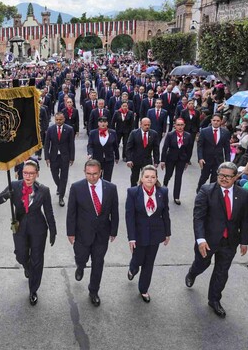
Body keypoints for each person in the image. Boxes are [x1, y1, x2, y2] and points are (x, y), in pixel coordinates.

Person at [185, 162, 248, 318]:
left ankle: (214, 300)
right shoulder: (206, 191)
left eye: (228, 176)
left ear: (235, 178)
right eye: (221, 175)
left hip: (230, 241)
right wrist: (200, 239)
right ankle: (192, 273)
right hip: (207, 240)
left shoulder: (243, 194)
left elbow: (245, 220)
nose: (224, 178)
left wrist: (244, 241)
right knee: (202, 264)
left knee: (222, 272)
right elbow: (198, 217)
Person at [0, 160, 56, 306]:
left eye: (31, 173)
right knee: (21, 255)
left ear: (37, 174)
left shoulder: (44, 190)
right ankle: (27, 266)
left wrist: (53, 230)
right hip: (20, 226)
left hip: (38, 228)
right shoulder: (14, 185)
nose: (28, 176)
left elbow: (49, 212)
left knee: (37, 259)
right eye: (25, 173)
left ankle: (33, 290)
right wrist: (6, 195)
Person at [66, 159, 118, 306]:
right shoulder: (76, 188)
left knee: (98, 262)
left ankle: (93, 291)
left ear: (100, 172)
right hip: (82, 233)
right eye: (89, 174)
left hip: (102, 234)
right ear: (84, 172)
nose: (92, 177)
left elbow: (114, 211)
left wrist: (113, 230)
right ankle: (80, 266)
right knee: (81, 257)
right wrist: (70, 232)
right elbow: (71, 212)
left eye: (95, 174)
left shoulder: (111, 188)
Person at [125, 165, 171, 302]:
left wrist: (167, 233)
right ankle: (133, 268)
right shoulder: (133, 192)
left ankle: (143, 289)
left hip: (156, 233)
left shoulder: (163, 192)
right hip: (139, 234)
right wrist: (131, 238)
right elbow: (130, 216)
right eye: (147, 177)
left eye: (153, 177)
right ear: (141, 178)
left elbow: (165, 213)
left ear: (156, 178)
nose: (150, 179)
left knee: (149, 262)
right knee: (138, 259)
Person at [44, 112, 75, 207]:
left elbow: (71, 144)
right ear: (55, 119)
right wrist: (47, 157)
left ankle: (61, 197)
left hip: (65, 157)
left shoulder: (69, 129)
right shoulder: (50, 129)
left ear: (64, 119)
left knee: (64, 177)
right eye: (57, 120)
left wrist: (72, 157)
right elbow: (46, 144)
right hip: (53, 157)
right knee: (54, 175)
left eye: (60, 119)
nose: (58, 121)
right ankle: (60, 186)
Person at [196, 114, 231, 193]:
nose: (216, 122)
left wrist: (227, 162)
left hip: (218, 160)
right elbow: (200, 146)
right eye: (214, 120)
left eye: (218, 121)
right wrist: (200, 158)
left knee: (215, 180)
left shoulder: (225, 132)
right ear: (211, 121)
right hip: (206, 159)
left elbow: (227, 149)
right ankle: (199, 192)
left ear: (221, 122)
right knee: (203, 178)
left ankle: (210, 195)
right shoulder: (204, 131)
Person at [160, 118, 192, 205]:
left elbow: (189, 150)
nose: (180, 127)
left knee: (178, 177)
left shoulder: (188, 136)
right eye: (178, 125)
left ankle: (176, 196)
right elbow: (165, 148)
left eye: (182, 125)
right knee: (168, 174)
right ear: (175, 126)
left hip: (181, 159)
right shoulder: (170, 135)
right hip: (170, 158)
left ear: (184, 125)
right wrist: (162, 160)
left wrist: (187, 161)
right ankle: (164, 187)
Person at [126, 118, 160, 187]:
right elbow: (129, 148)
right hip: (135, 160)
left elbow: (156, 149)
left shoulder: (154, 134)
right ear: (140, 125)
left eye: (148, 125)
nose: (147, 127)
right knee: (134, 177)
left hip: (147, 160)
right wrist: (129, 159)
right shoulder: (134, 133)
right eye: (145, 125)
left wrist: (156, 161)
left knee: (147, 178)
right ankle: (134, 191)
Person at [86, 117, 119, 182]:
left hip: (109, 159)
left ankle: (106, 191)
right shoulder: (93, 133)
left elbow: (115, 146)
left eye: (104, 122)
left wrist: (117, 157)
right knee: (97, 178)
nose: (103, 124)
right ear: (98, 123)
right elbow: (90, 145)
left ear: (107, 123)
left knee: (107, 179)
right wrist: (90, 154)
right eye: (101, 122)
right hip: (97, 159)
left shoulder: (113, 132)